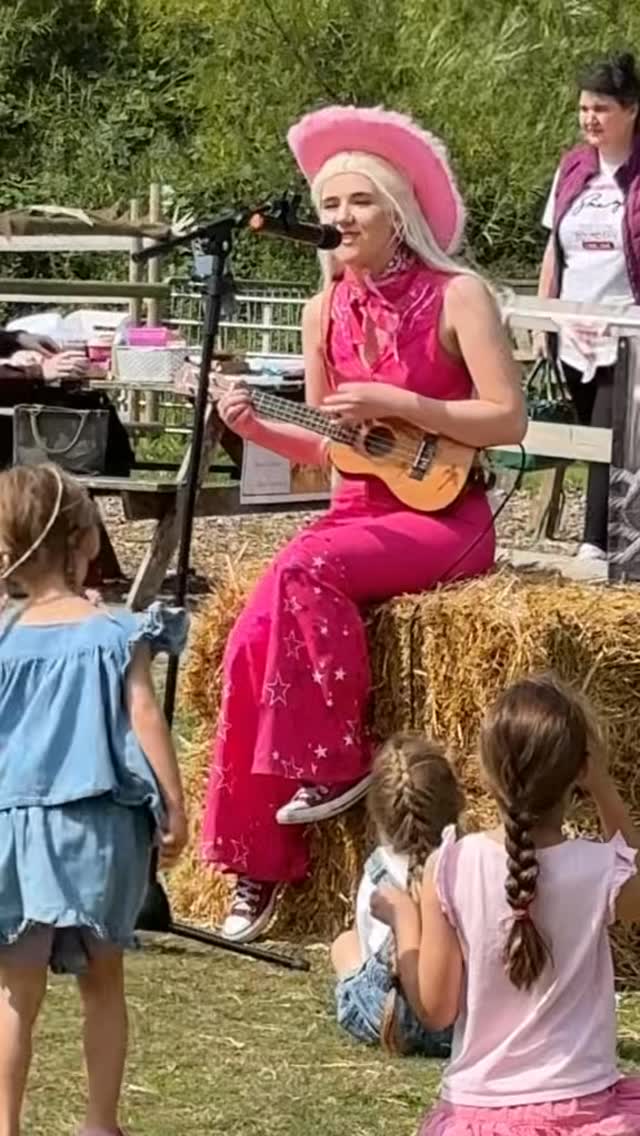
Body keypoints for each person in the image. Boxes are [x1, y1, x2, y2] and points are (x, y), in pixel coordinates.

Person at [202, 104, 526, 944]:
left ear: (399, 212)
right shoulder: (322, 313)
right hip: (355, 513)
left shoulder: (461, 296)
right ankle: (257, 868)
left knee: (305, 572)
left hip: (444, 515)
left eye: (358, 202)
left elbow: (507, 419)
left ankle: (340, 762)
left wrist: (399, 400)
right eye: (331, 204)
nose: (339, 218)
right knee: (244, 641)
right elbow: (328, 446)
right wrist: (250, 426)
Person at [0, 464, 188, 1136]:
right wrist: (174, 801)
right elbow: (145, 716)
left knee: (16, 991)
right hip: (100, 823)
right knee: (103, 983)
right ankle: (99, 1123)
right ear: (85, 542)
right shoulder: (117, 632)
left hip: (17, 830)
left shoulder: (4, 637)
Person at [373, 675, 640, 1136]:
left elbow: (436, 1010)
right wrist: (602, 786)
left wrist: (404, 921)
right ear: (578, 770)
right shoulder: (599, 869)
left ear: (487, 769)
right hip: (587, 1113)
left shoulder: (452, 864)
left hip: (478, 1115)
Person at [538, 51, 640, 561]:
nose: (590, 119)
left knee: (609, 433)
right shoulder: (572, 168)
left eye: (601, 108)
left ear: (631, 110)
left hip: (626, 329)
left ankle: (594, 542)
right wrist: (542, 317)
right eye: (583, 109)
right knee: (590, 434)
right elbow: (552, 248)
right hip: (571, 328)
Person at [331, 732, 462, 1054]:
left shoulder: (379, 871)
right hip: (463, 1020)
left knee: (343, 944)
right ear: (458, 802)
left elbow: (367, 938)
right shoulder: (471, 860)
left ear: (376, 814)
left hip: (387, 1016)